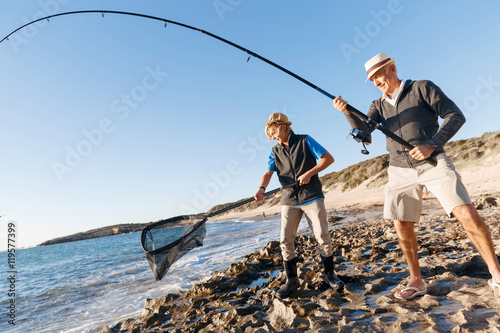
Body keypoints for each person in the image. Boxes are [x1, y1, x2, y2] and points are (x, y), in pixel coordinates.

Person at [332, 52, 500, 300]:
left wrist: (431, 144)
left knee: (465, 212)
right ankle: (416, 279)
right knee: (401, 224)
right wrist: (347, 112)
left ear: (392, 69)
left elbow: (455, 115)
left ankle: (496, 275)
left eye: (379, 74)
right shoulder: (376, 106)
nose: (377, 81)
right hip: (399, 169)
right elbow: (364, 134)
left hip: (433, 161)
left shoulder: (422, 88)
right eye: (373, 79)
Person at [254, 112, 344, 298]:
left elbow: (328, 159)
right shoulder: (275, 151)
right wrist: (261, 188)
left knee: (322, 236)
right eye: (270, 134)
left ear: (284, 127)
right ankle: (292, 280)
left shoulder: (305, 140)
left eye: (274, 132)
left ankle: (330, 275)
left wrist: (309, 173)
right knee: (286, 240)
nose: (273, 137)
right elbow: (268, 173)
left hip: (312, 196)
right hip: (289, 200)